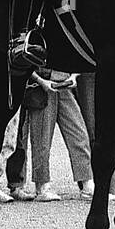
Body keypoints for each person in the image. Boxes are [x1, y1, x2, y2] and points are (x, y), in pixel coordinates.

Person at [24, 65, 93, 201]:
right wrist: (39, 80)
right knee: (42, 139)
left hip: (63, 83)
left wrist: (74, 75)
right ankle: (42, 185)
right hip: (43, 83)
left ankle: (87, 182)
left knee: (79, 134)